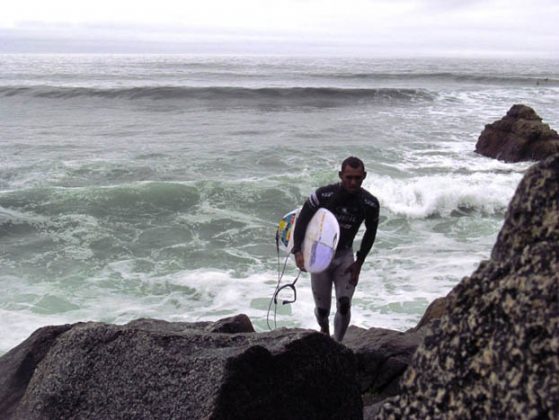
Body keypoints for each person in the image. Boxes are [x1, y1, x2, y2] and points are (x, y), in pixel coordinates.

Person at [291, 156, 379, 341]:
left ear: (364, 176)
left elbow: (370, 233)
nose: (353, 182)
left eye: (357, 177)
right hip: (319, 255)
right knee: (323, 310)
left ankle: (338, 344)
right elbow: (302, 220)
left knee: (344, 303)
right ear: (341, 175)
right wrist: (298, 251)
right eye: (349, 177)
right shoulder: (323, 195)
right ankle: (324, 327)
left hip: (345, 255)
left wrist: (359, 262)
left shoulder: (369, 203)